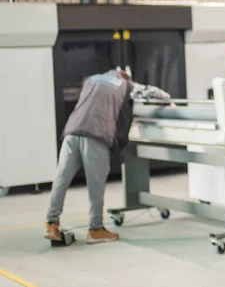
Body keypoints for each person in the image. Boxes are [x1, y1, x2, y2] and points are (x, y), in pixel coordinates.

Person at [45, 69, 172, 244]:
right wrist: (168, 100)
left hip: (71, 132)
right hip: (96, 135)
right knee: (95, 185)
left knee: (61, 179)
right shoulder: (125, 84)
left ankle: (52, 223)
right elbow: (153, 93)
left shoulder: (90, 80)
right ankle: (96, 229)